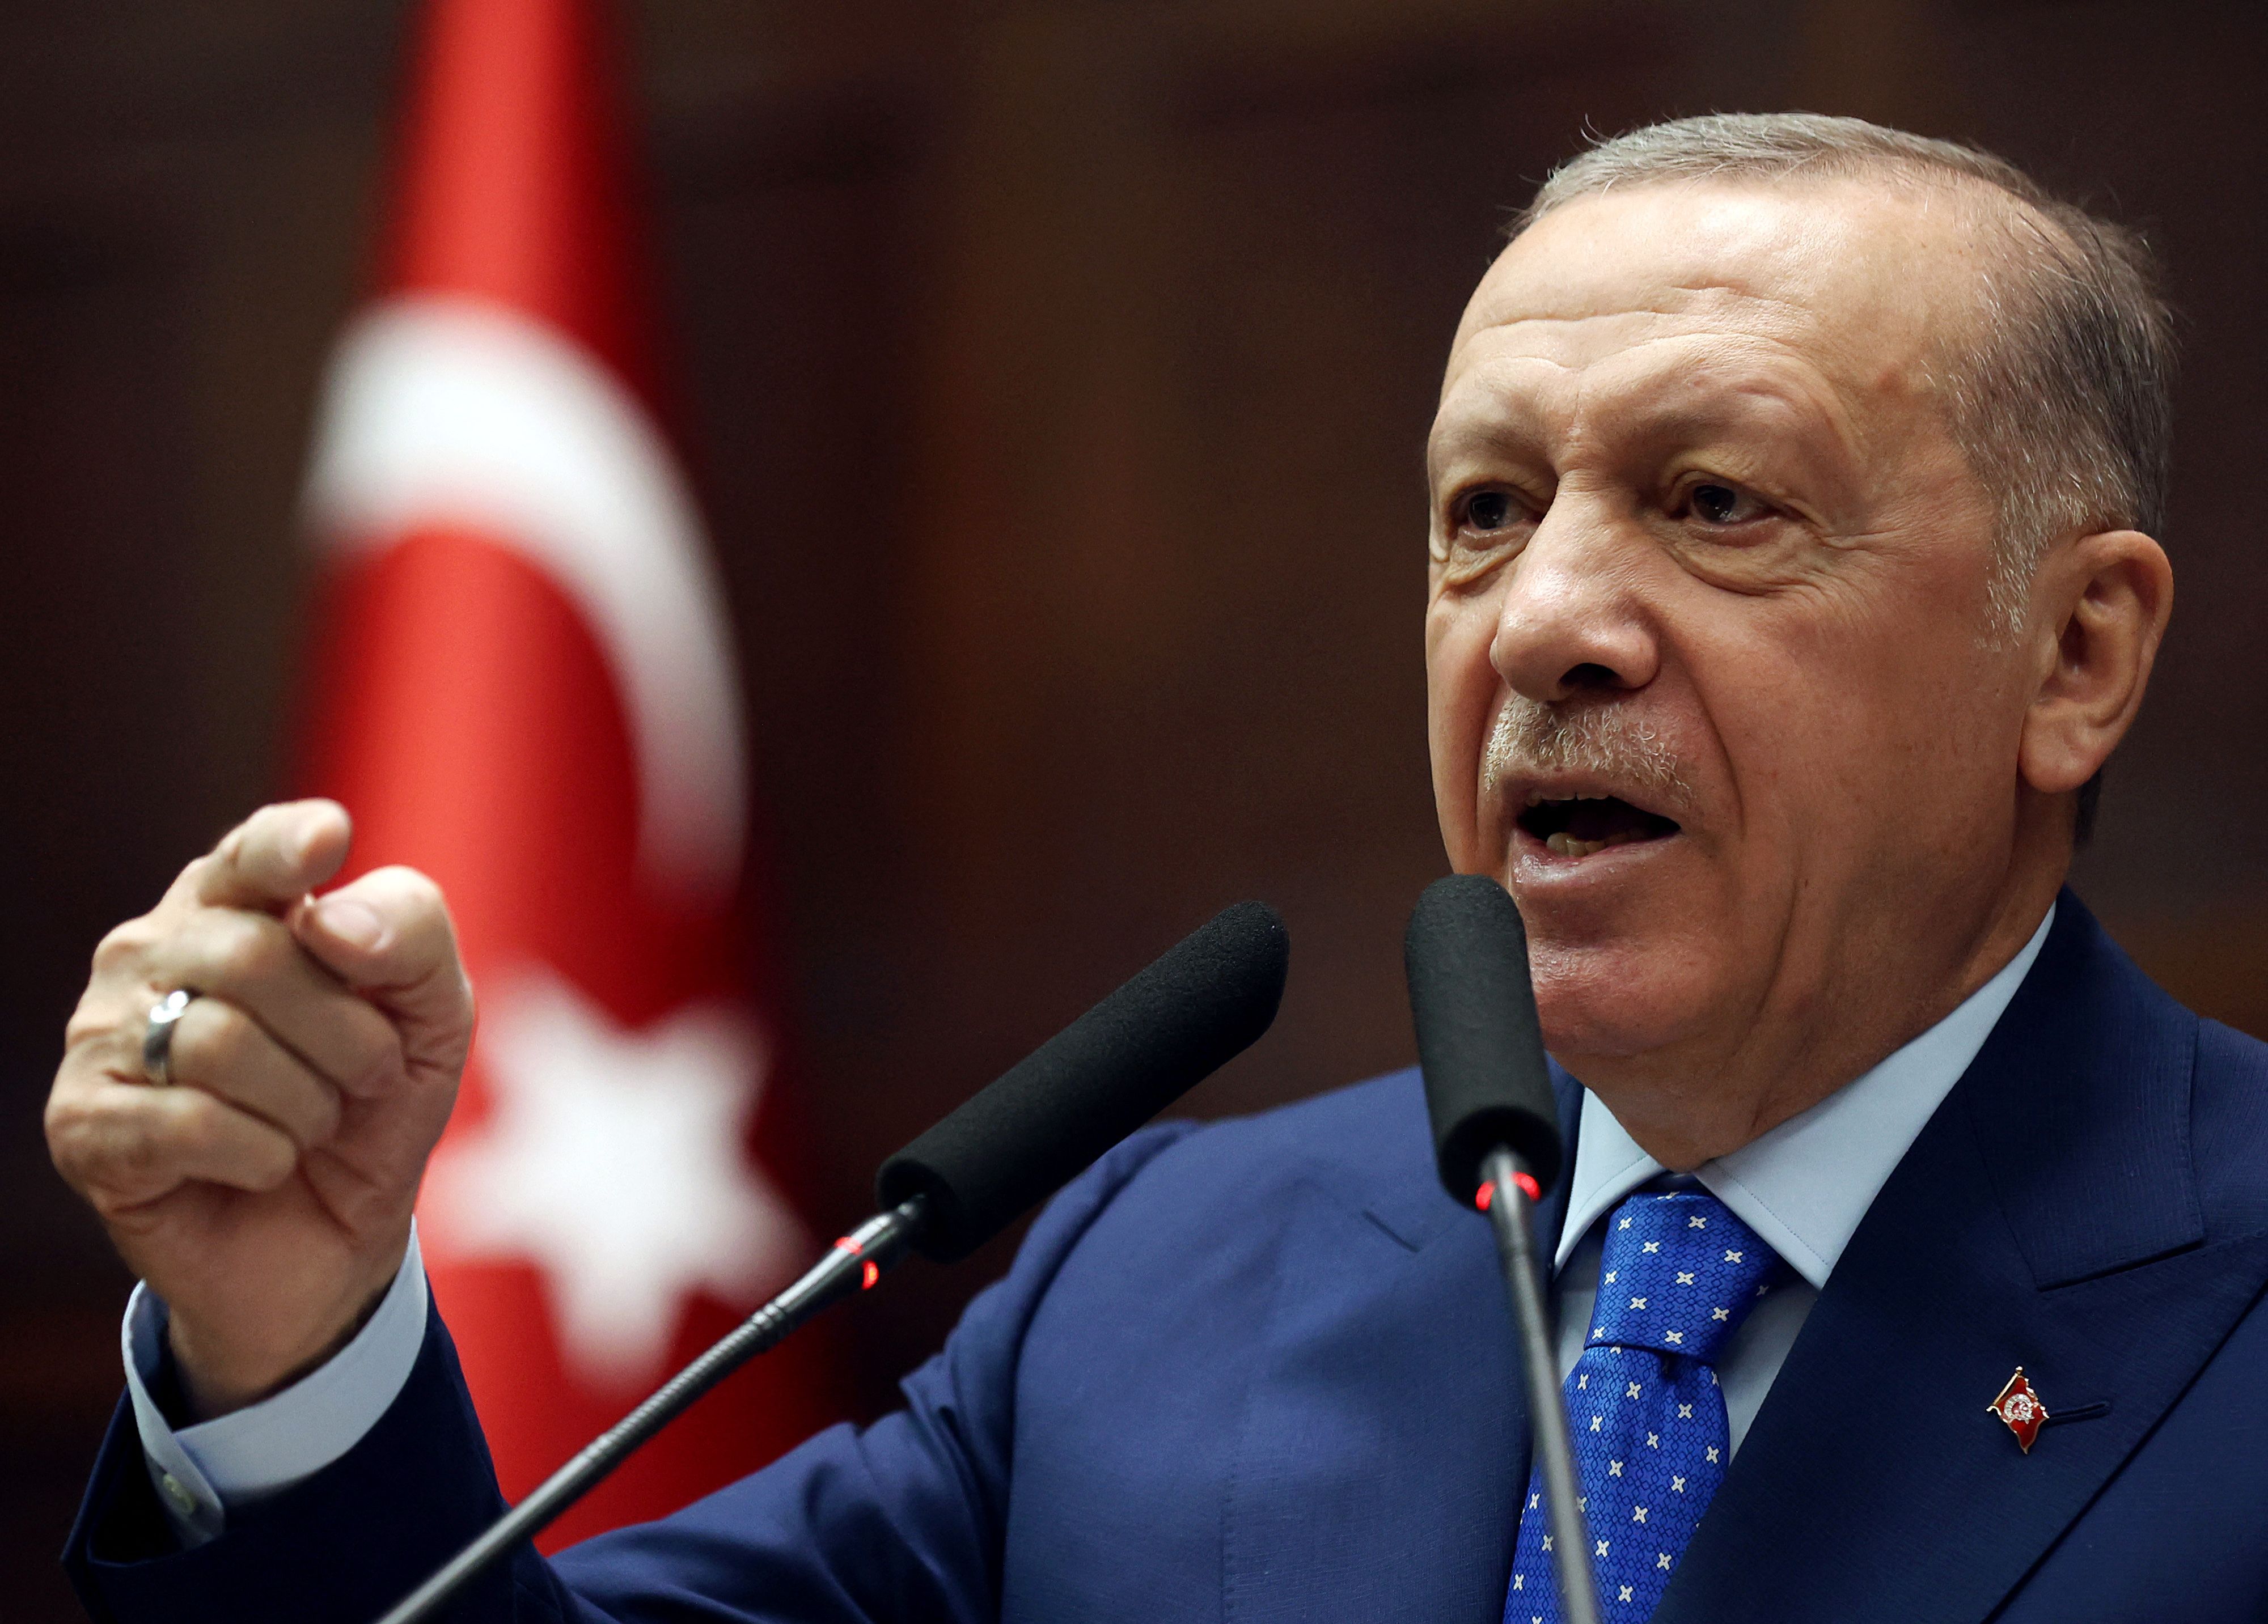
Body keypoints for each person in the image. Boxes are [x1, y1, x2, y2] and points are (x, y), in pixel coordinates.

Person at [47, 112, 2268, 1624]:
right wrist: (293, 1320)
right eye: (1483, 514)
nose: (1541, 624)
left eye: (1716, 504)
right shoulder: (1165, 1277)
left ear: (2070, 657)